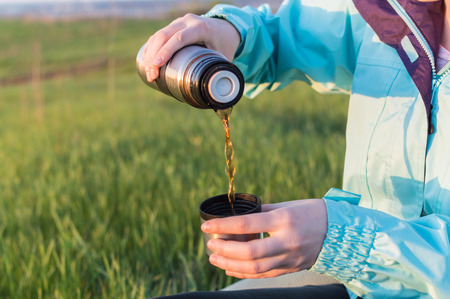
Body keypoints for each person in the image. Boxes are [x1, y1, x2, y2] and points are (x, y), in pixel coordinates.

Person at [142, 0, 450, 298]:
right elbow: (285, 35)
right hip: (364, 280)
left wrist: (343, 238)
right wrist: (229, 32)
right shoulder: (391, 9)